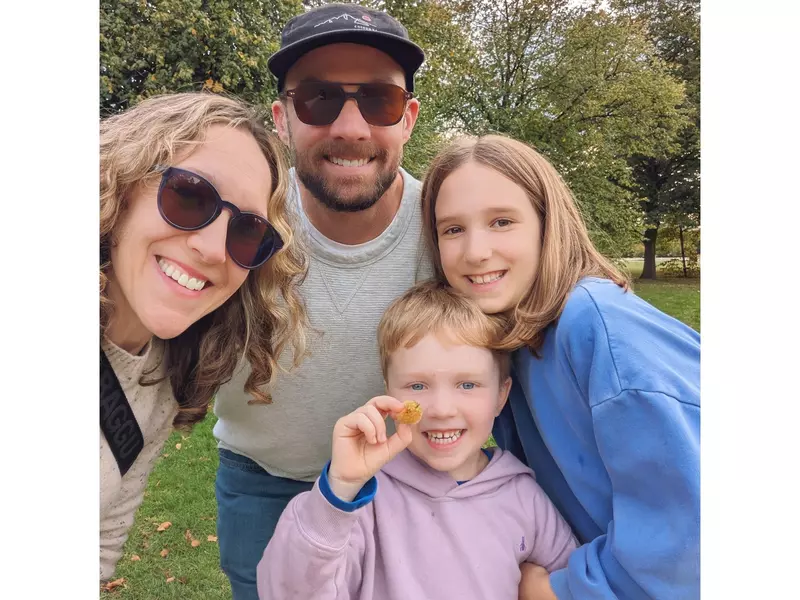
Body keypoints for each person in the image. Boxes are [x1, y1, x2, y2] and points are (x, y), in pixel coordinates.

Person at [420, 134, 701, 599]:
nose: (475, 251)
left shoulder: (598, 326)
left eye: (502, 221)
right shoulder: (516, 336)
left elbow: (696, 528)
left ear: (547, 226)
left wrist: (561, 590)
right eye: (452, 229)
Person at [212, 4, 431, 598]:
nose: (352, 128)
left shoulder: (451, 221)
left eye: (379, 102)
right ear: (283, 118)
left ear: (407, 118)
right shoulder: (235, 220)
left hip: (407, 479)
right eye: (319, 99)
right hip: (266, 484)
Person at [99, 92, 308, 582]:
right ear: (120, 182)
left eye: (247, 230)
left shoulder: (165, 377)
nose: (215, 249)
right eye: (190, 196)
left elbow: (101, 535)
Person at [257, 281, 578, 599]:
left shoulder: (524, 497)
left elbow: (570, 580)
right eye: (417, 386)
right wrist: (340, 488)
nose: (440, 410)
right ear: (388, 391)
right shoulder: (364, 500)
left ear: (501, 395)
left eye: (467, 385)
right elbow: (288, 592)